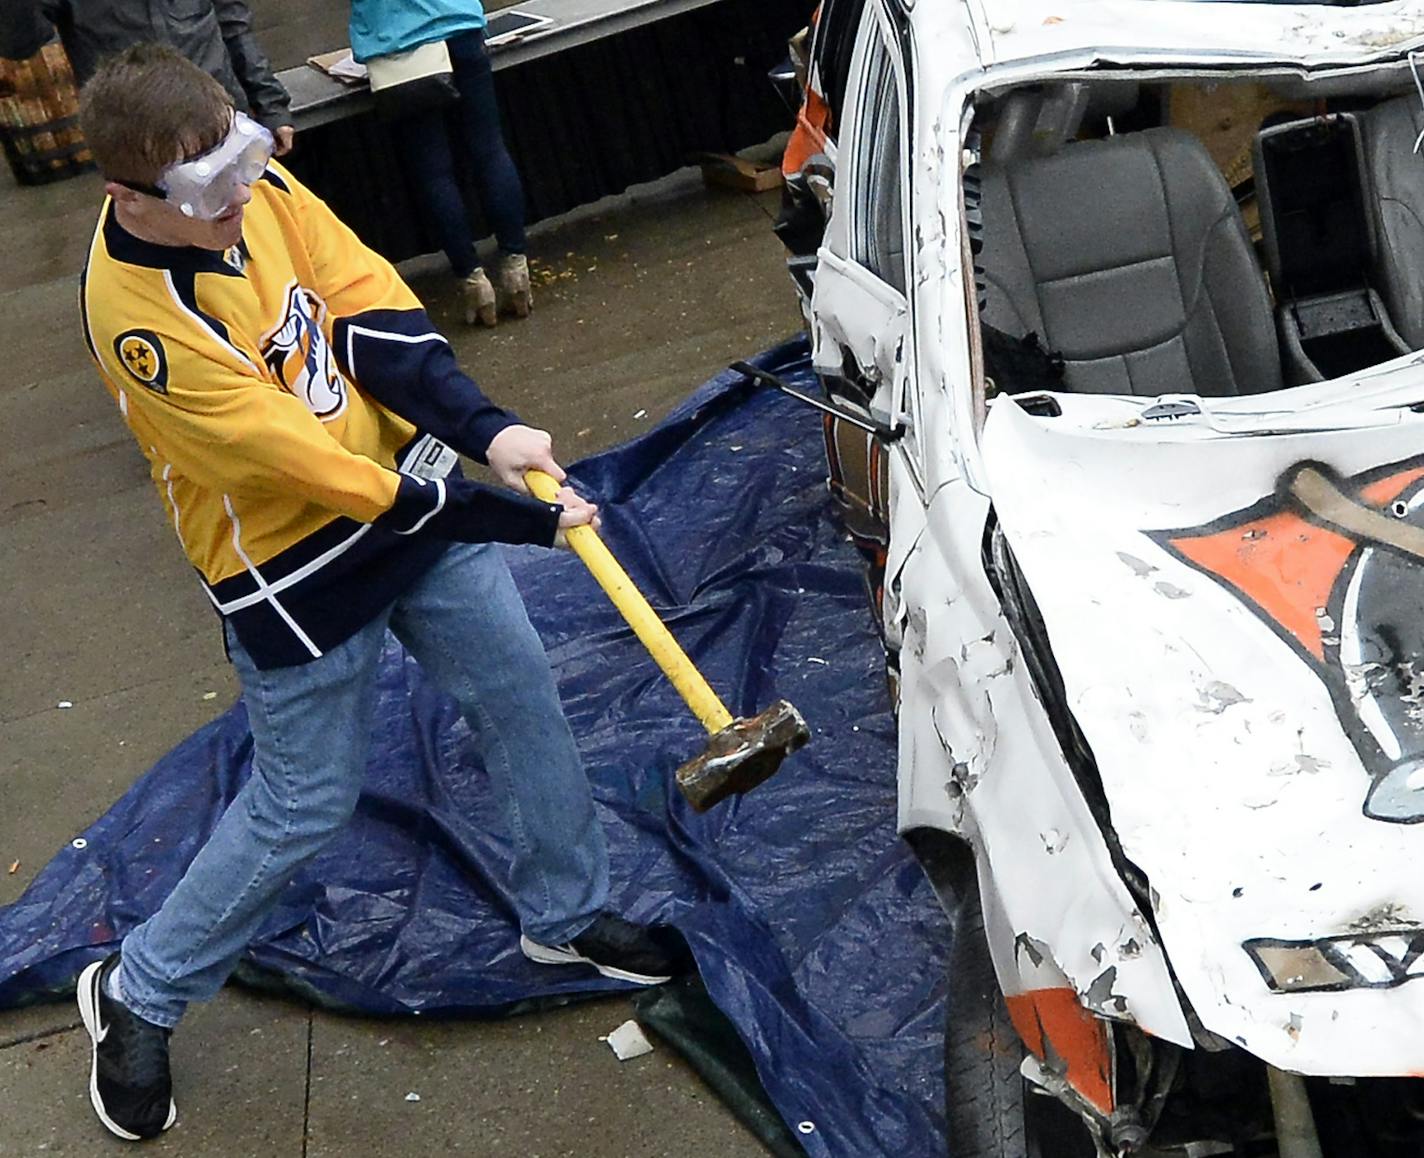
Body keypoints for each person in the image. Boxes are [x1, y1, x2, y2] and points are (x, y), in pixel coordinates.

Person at [72, 43, 685, 1143]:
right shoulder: (139, 323)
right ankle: (140, 989)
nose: (243, 201)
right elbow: (315, 477)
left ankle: (565, 914)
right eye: (212, 195)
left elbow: (367, 308)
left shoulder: (250, 184)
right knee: (303, 803)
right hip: (293, 562)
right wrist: (521, 514)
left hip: (412, 488)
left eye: (248, 164)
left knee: (518, 694)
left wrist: (484, 427)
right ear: (128, 196)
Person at [349, 0, 532, 326]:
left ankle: (474, 283)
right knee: (490, 150)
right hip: (460, 25)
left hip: (399, 48)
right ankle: (516, 270)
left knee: (434, 173)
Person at [0, 0, 295, 155]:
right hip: (139, 141)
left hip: (225, 122)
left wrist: (271, 104)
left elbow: (234, 24)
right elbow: (19, 43)